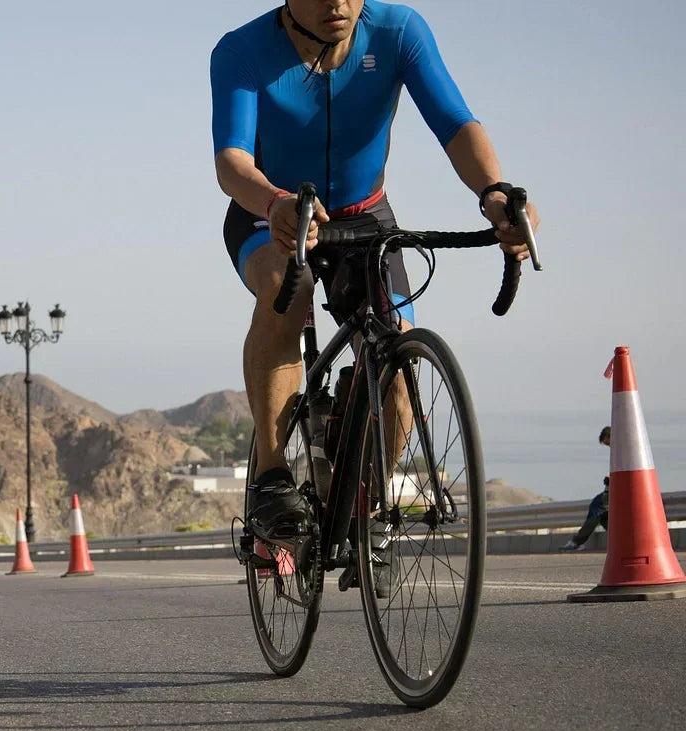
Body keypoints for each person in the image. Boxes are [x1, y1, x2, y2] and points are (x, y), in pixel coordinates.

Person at [211, 0, 542, 538]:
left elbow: (455, 123)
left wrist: (494, 191)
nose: (337, 4)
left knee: (400, 355)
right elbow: (232, 161)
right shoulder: (242, 50)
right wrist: (274, 203)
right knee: (283, 290)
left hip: (367, 215)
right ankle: (271, 477)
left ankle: (365, 500)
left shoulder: (398, 31)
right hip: (269, 213)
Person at [561, 427, 613, 552]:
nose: (609, 447)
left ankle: (577, 541)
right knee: (602, 514)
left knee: (597, 508)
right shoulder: (621, 449)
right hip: (613, 489)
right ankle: (618, 538)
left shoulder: (620, 449)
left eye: (608, 443)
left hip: (614, 491)